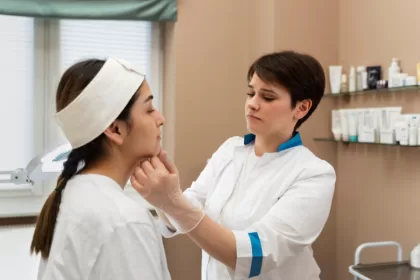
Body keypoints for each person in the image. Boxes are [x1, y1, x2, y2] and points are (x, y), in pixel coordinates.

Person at [130, 51, 336, 280]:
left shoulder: (313, 174)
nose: (252, 104)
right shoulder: (230, 150)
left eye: (267, 97)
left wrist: (172, 200)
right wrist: (160, 198)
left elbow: (256, 256)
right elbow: (183, 213)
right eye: (251, 93)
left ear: (302, 108)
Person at [30, 57, 171, 280]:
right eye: (149, 109)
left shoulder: (70, 194)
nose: (161, 119)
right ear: (115, 129)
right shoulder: (124, 220)